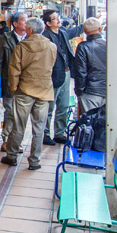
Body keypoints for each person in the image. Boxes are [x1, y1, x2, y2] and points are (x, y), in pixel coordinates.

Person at [1, 16, 57, 170]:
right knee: (39, 127)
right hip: (44, 90)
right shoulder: (51, 46)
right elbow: (51, 66)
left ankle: (11, 155)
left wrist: (14, 88)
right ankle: (34, 161)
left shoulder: (22, 47)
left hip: (25, 89)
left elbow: (14, 70)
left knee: (19, 124)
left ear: (30, 30)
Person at [41, 10, 76, 146]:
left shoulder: (62, 33)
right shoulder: (46, 37)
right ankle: (46, 134)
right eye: (55, 19)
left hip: (66, 73)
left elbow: (75, 32)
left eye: (58, 17)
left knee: (64, 104)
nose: (58, 20)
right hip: (53, 75)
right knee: (49, 106)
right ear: (48, 23)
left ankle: (59, 133)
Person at [0, 11, 27, 148]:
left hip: (26, 82)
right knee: (10, 112)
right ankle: (7, 140)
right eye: (24, 20)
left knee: (22, 115)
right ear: (15, 24)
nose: (26, 22)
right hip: (9, 81)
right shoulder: (6, 38)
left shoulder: (31, 38)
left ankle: (16, 141)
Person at [73, 17, 107, 113]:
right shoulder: (109, 44)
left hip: (90, 92)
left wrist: (79, 91)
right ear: (100, 29)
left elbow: (80, 71)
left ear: (84, 31)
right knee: (108, 124)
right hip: (109, 89)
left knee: (90, 123)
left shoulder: (83, 47)